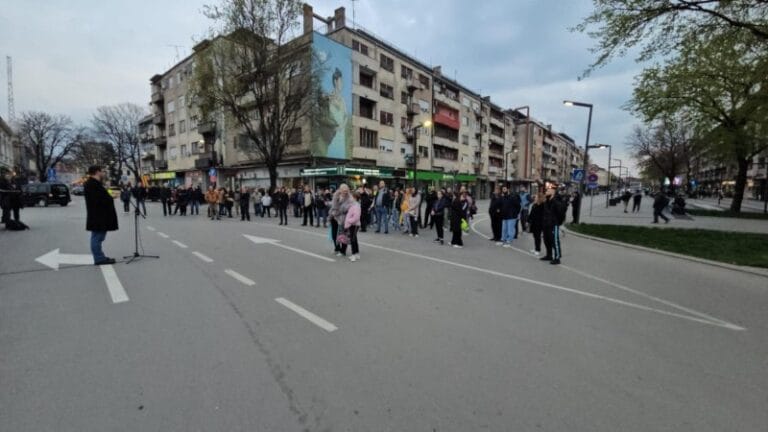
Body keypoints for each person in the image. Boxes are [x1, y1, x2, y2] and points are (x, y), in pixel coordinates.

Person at [83, 165, 118, 265]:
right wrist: (110, 198)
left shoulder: (94, 183)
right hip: (98, 216)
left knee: (98, 237)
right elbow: (97, 200)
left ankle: (100, 256)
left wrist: (109, 196)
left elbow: (100, 197)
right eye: (102, 171)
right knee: (97, 238)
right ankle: (99, 258)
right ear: (97, 172)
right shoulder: (92, 184)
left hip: (99, 216)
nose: (103, 173)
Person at [541, 188, 566, 265]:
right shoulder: (546, 201)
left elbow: (561, 213)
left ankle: (557, 258)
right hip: (546, 224)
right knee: (546, 240)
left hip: (553, 225)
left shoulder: (556, 201)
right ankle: (549, 255)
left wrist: (557, 222)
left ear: (553, 193)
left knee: (555, 241)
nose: (546, 192)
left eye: (548, 191)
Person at [342, 191, 362, 261]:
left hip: (354, 224)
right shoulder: (353, 204)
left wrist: (348, 220)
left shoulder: (356, 205)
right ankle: (357, 254)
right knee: (354, 239)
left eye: (351, 197)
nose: (350, 198)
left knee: (353, 240)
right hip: (353, 224)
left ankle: (354, 255)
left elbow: (356, 217)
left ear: (355, 198)